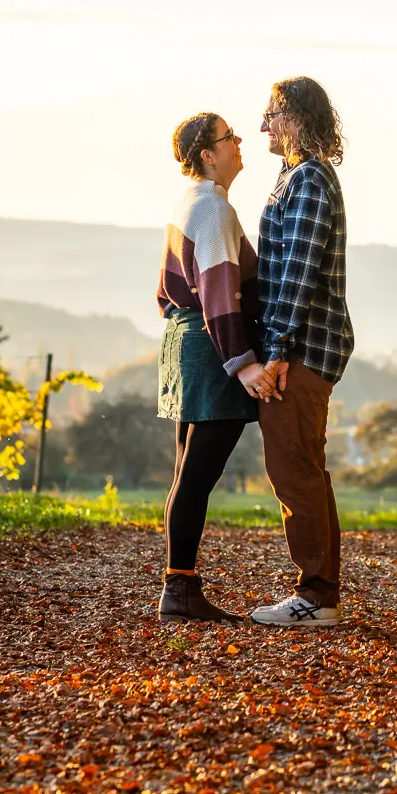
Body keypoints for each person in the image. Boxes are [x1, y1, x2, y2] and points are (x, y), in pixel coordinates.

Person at [156, 113, 271, 622]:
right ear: (207, 153)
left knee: (187, 475)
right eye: (229, 137)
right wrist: (242, 363)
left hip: (186, 343)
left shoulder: (194, 203)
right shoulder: (211, 210)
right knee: (196, 476)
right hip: (211, 349)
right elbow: (221, 294)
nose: (239, 141)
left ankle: (179, 586)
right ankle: (179, 592)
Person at [249, 77, 354, 628]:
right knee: (301, 468)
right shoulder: (294, 176)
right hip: (302, 345)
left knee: (295, 470)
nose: (262, 125)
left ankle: (316, 597)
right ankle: (319, 592)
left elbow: (298, 275)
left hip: (304, 348)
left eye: (270, 114)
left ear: (293, 117)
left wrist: (278, 349)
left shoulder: (309, 178)